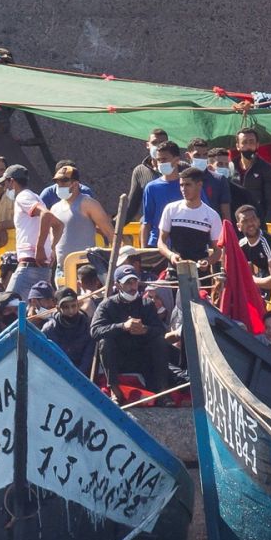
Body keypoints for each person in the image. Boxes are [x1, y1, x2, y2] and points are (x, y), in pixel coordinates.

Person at [90, 266, 170, 399]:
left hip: (141, 354)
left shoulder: (146, 304)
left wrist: (145, 330)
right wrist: (122, 327)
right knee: (105, 342)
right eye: (128, 283)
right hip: (118, 357)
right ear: (118, 285)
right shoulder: (107, 305)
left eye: (134, 282)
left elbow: (160, 330)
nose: (132, 286)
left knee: (159, 341)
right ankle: (114, 389)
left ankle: (162, 389)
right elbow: (95, 331)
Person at [4, 165, 62, 300]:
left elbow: (46, 215)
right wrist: (51, 249)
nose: (5, 187)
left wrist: (41, 247)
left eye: (5, 183)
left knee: (6, 307)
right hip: (41, 268)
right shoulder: (35, 196)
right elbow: (59, 225)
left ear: (11, 181)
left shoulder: (23, 197)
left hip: (29, 266)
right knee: (33, 314)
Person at [48, 164, 113, 275]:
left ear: (75, 184)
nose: (60, 185)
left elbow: (110, 233)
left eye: (64, 181)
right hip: (61, 270)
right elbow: (52, 241)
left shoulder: (88, 203)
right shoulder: (54, 208)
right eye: (57, 182)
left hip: (85, 269)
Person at [156, 167, 224, 269]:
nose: (183, 189)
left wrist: (207, 261)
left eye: (188, 185)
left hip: (199, 274)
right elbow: (161, 241)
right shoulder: (170, 209)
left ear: (199, 185)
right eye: (181, 185)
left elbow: (218, 251)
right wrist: (171, 255)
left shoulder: (212, 215)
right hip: (174, 271)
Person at [138, 141, 183, 248]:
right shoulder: (151, 187)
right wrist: (144, 251)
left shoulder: (188, 184)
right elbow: (147, 221)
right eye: (158, 160)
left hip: (183, 245)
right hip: (156, 244)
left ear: (176, 160)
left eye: (164, 159)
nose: (161, 163)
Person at [41, 287, 93, 375]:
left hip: (83, 376)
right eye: (65, 307)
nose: (71, 311)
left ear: (78, 305)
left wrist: (78, 376)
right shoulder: (49, 329)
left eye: (73, 306)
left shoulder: (87, 326)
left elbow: (87, 359)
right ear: (58, 308)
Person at [124, 129, 170, 224]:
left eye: (162, 143)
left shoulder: (181, 168)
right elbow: (131, 208)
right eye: (154, 143)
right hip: (152, 228)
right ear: (147, 145)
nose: (158, 146)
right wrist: (110, 227)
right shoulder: (140, 171)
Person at [233, 129, 271, 223]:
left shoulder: (267, 169)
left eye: (251, 142)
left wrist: (266, 225)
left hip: (256, 221)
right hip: (235, 220)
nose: (248, 146)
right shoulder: (230, 166)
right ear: (238, 146)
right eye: (244, 142)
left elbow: (270, 202)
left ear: (257, 144)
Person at [235, 206, 271, 294]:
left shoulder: (269, 243)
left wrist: (250, 280)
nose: (250, 223)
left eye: (253, 219)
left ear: (258, 221)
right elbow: (246, 273)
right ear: (239, 226)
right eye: (245, 221)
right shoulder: (242, 245)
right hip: (266, 279)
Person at [184, 138, 232, 221]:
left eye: (205, 155)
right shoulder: (182, 180)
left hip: (213, 229)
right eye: (197, 155)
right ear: (188, 156)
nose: (202, 158)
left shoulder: (219, 180)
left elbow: (226, 214)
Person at [210, 148, 255, 214]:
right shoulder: (202, 190)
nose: (224, 168)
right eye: (220, 164)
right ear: (210, 168)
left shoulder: (241, 193)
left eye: (226, 165)